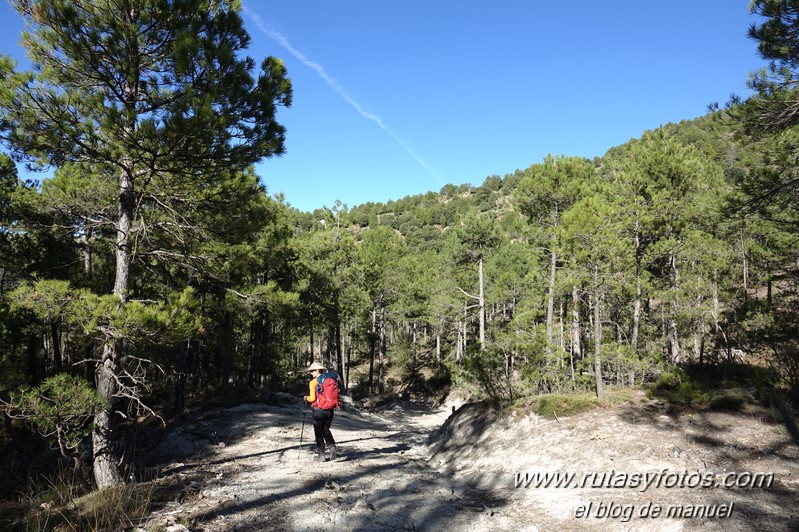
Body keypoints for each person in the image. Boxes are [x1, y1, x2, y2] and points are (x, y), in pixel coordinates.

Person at [305, 361, 337, 461]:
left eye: (313, 371)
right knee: (326, 429)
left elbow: (312, 398)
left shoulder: (313, 382)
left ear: (318, 370)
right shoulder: (330, 379)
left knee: (318, 432)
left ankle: (321, 455)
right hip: (330, 409)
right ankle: (332, 448)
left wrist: (306, 398)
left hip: (318, 410)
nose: (311, 373)